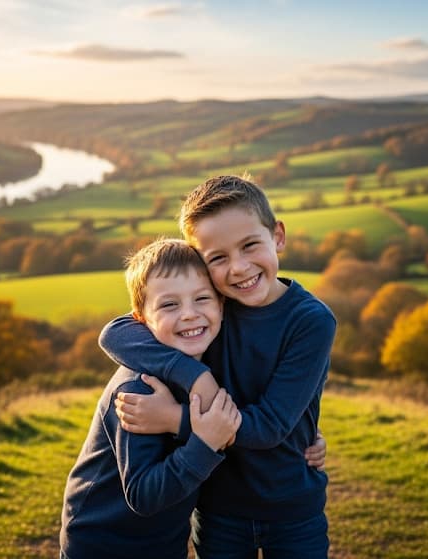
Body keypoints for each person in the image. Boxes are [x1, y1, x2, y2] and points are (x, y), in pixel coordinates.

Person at [99, 175, 337, 558]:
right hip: (218, 507)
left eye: (249, 246)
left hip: (292, 507)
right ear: (201, 265)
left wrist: (176, 418)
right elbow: (115, 333)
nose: (239, 268)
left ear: (277, 236)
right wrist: (195, 374)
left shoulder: (311, 321)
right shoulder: (210, 311)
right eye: (218, 258)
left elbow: (271, 425)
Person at [60, 238, 242, 559]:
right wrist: (203, 442)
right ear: (141, 319)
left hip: (164, 544)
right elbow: (142, 495)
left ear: (221, 305)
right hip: (102, 545)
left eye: (202, 298)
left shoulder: (214, 361)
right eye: (169, 305)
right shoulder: (138, 390)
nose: (189, 314)